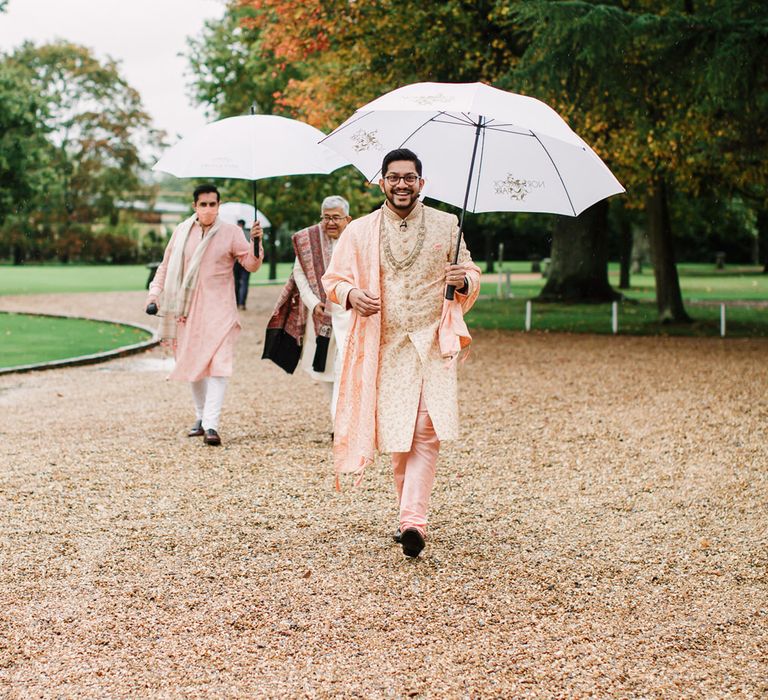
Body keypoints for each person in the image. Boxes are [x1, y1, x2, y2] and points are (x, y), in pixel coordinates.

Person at [322, 149, 481, 558]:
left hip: (431, 343)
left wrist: (463, 281)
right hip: (385, 344)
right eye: (394, 177)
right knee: (398, 435)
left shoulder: (448, 226)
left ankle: (414, 521)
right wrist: (353, 294)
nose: (402, 185)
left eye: (409, 178)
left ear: (421, 183)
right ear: (382, 182)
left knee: (426, 431)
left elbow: (471, 273)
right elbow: (333, 280)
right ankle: (406, 515)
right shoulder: (360, 230)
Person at [146, 184, 264, 446]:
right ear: (195, 206)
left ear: (219, 206)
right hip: (187, 310)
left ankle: (212, 424)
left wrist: (256, 241)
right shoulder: (181, 232)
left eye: (213, 204)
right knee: (193, 364)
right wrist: (154, 294)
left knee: (220, 365)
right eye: (204, 204)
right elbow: (166, 266)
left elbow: (251, 265)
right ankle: (200, 418)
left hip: (220, 309)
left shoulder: (232, 232)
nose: (209, 209)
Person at [263, 196, 352, 424]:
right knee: (324, 371)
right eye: (326, 218)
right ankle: (337, 421)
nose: (331, 223)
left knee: (345, 369)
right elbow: (299, 275)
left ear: (348, 219)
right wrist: (313, 304)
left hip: (349, 315)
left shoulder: (357, 240)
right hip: (320, 317)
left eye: (336, 218)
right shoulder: (307, 239)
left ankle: (341, 423)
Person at [233, 218, 251, 310]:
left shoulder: (234, 234)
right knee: (245, 282)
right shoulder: (249, 234)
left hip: (236, 261)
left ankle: (236, 303)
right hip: (247, 261)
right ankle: (242, 304)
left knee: (236, 282)